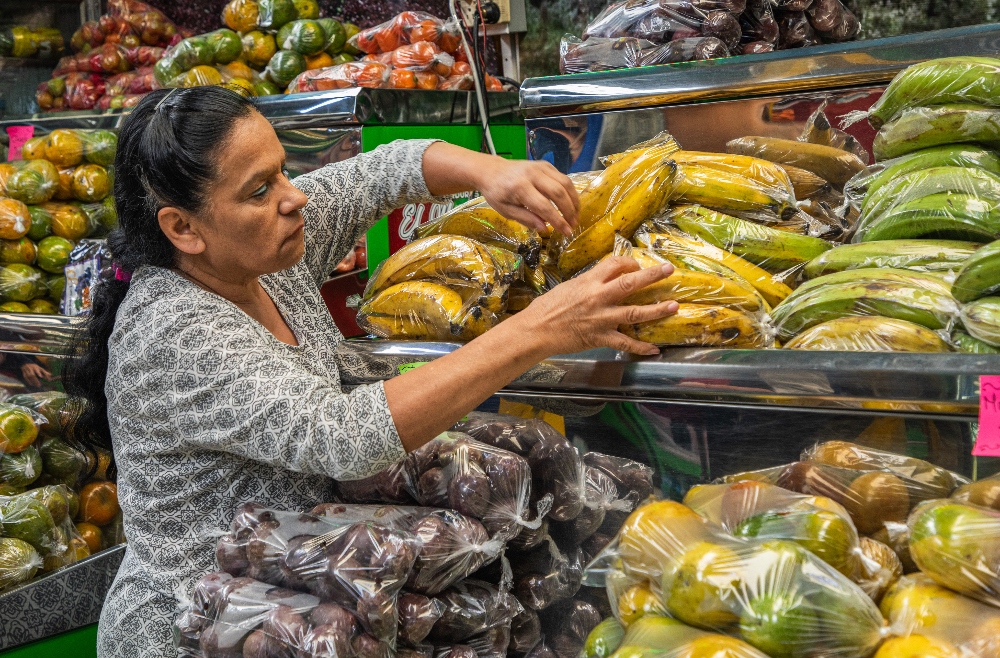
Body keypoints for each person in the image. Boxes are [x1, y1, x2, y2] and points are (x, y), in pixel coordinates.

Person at [65, 87, 678, 657]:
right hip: (204, 630)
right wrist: (541, 328)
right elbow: (343, 436)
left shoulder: (262, 257)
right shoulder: (174, 330)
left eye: (283, 169)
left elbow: (377, 173)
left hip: (308, 599)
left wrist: (488, 170)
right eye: (259, 189)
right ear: (181, 228)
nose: (293, 196)